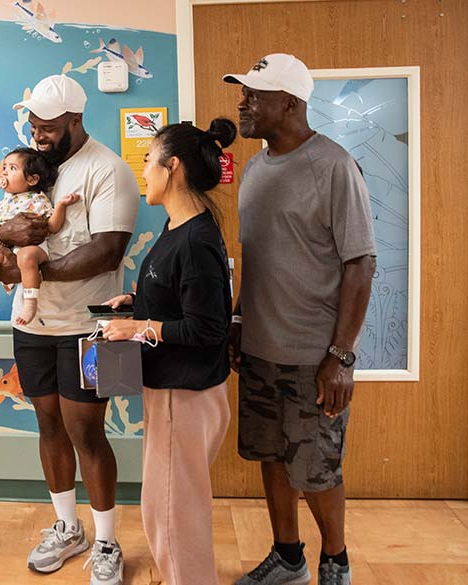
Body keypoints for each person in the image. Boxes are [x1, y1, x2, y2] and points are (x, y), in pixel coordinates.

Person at [223, 54, 376, 585]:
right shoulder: (255, 168)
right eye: (243, 93)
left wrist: (341, 357)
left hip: (314, 357)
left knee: (316, 469)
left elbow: (361, 263)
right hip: (261, 348)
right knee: (269, 455)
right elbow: (258, 255)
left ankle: (335, 560)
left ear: (289, 104)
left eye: (254, 95)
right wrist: (240, 321)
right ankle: (288, 556)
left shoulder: (334, 166)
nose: (243, 104)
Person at [0, 74, 139, 585]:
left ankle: (106, 542)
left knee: (88, 432)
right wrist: (0, 237)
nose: (37, 135)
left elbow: (108, 251)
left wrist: (34, 270)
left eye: (48, 127)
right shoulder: (31, 169)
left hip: (98, 327)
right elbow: (4, 226)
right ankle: (67, 526)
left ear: (75, 121)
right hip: (33, 324)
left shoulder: (109, 169)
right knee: (49, 426)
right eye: (32, 124)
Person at [101, 119, 236, 585]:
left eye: (147, 161)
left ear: (172, 167)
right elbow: (181, 299)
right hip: (171, 392)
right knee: (166, 506)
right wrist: (138, 304)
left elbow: (207, 328)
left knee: (175, 515)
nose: (144, 172)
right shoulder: (177, 227)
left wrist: (141, 326)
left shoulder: (196, 239)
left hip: (186, 395)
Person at [0, 147, 79, 325]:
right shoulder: (6, 202)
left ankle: (30, 303)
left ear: (32, 179)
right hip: (9, 251)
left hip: (35, 249)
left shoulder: (37, 200)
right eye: (4, 168)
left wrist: (61, 206)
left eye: (12, 168)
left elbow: (52, 226)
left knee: (26, 256)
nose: (4, 173)